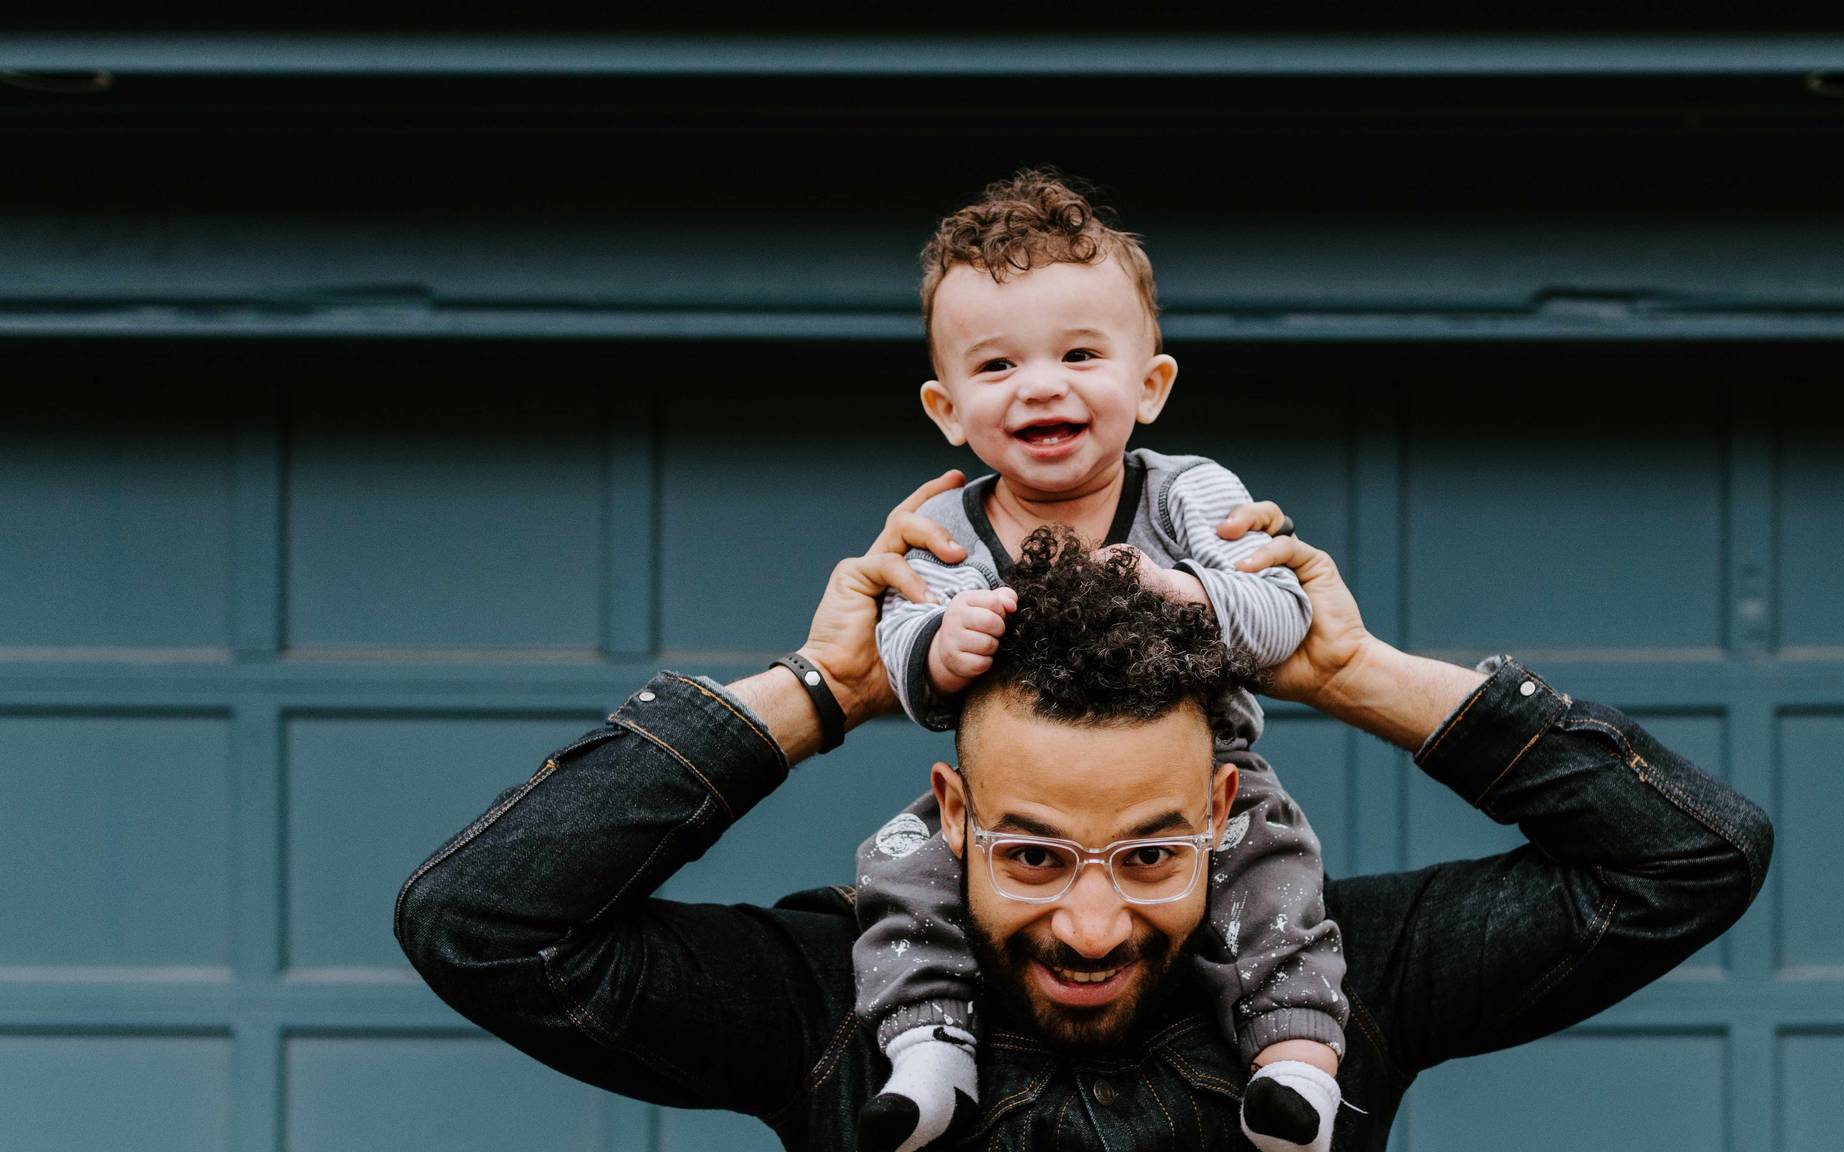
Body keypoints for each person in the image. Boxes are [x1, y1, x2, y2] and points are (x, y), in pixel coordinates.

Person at [394, 472, 1774, 1152]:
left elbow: (1690, 855)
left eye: (1153, 852)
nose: (1094, 921)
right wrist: (823, 690)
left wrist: (1352, 674)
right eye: (1036, 854)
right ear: (952, 813)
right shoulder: (830, 1005)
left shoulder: (1344, 985)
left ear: (1225, 808)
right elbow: (484, 923)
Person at [858, 167, 1345, 1152]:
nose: (1041, 384)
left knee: (1275, 875)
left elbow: (1281, 611)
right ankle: (927, 1048)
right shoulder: (943, 526)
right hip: (1009, 794)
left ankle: (1293, 1065)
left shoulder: (1188, 496)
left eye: (1079, 354)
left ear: (1149, 385)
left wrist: (1191, 593)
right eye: (995, 369)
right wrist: (937, 647)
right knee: (897, 868)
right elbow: (898, 644)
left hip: (1208, 772)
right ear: (946, 409)